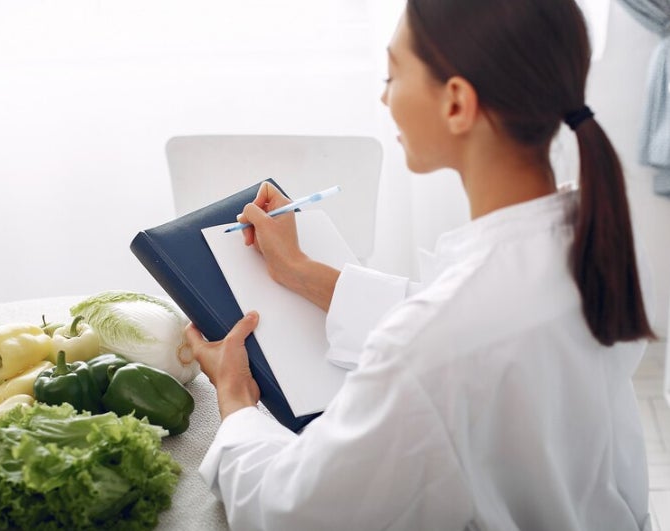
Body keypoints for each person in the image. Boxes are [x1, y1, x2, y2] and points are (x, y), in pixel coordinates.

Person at [184, 0, 657, 529]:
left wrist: (235, 399)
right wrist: (298, 268)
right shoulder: (590, 238)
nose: (384, 97)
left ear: (456, 103)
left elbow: (290, 510)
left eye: (392, 75)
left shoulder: (439, 343)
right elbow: (467, 327)